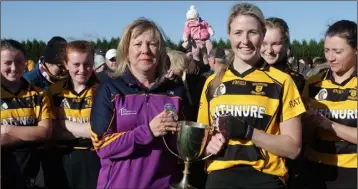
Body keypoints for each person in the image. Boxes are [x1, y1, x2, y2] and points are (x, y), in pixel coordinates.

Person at [197, 3, 306, 189]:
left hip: (266, 179)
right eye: (238, 33)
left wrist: (248, 132)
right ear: (229, 35)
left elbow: (293, 148)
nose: (245, 40)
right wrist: (207, 146)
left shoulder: (283, 81)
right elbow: (200, 141)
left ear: (262, 35)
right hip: (220, 178)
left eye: (252, 32)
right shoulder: (212, 83)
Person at [90, 18, 186, 189]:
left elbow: (184, 146)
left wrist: (179, 134)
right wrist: (148, 131)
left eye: (152, 44)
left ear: (161, 51)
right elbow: (101, 145)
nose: (145, 50)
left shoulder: (176, 91)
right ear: (126, 50)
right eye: (138, 44)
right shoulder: (110, 88)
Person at [298, 20, 357, 189]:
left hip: (352, 172)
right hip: (314, 169)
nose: (330, 58)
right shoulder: (314, 82)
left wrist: (327, 124)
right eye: (326, 50)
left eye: (338, 51)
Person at [48, 40, 101, 189]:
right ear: (65, 64)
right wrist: (86, 130)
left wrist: (64, 125)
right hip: (61, 158)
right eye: (76, 64)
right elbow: (51, 131)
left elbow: (100, 132)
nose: (82, 70)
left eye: (87, 64)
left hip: (94, 159)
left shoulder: (101, 91)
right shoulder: (54, 91)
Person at [1, 39, 52, 189]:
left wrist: (6, 129)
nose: (14, 67)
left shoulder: (39, 94)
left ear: (25, 63)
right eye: (7, 63)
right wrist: (30, 134)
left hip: (34, 172)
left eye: (19, 62)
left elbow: (45, 132)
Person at [260, 17, 305, 93]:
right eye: (264, 44)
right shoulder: (246, 74)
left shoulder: (296, 81)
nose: (269, 50)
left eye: (275, 44)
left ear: (286, 44)